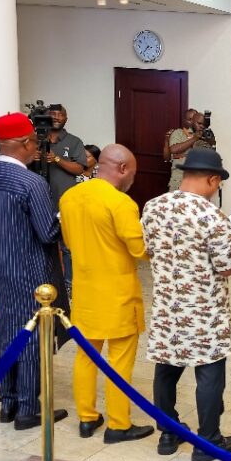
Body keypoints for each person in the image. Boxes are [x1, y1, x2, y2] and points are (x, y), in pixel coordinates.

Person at [141, 149, 231, 461]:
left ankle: (168, 433)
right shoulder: (211, 216)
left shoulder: (153, 207)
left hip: (167, 306)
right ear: (213, 180)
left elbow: (148, 250)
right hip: (204, 310)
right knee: (209, 374)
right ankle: (208, 442)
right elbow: (226, 265)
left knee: (166, 370)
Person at [0, 112, 70, 429]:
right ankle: (28, 409)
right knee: (31, 338)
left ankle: (9, 403)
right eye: (35, 143)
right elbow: (47, 233)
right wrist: (63, 217)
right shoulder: (31, 182)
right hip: (30, 273)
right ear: (27, 143)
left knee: (6, 334)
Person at [59, 144, 154, 444]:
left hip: (86, 294)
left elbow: (70, 242)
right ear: (123, 168)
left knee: (86, 357)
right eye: (133, 174)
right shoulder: (121, 203)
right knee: (120, 361)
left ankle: (87, 419)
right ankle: (118, 423)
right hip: (118, 295)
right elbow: (139, 250)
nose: (132, 181)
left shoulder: (69, 197)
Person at [42, 104, 89, 295]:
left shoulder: (74, 141)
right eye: (52, 115)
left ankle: (70, 286)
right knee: (42, 246)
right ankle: (45, 284)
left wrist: (58, 160)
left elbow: (80, 169)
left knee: (67, 247)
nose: (56, 118)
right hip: (40, 202)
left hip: (64, 203)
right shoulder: (36, 140)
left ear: (66, 119)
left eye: (59, 115)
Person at [167, 109, 215, 192]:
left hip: (197, 181)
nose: (201, 126)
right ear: (193, 122)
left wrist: (209, 141)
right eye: (199, 123)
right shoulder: (179, 133)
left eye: (203, 124)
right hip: (179, 180)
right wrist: (194, 138)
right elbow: (173, 149)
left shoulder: (206, 136)